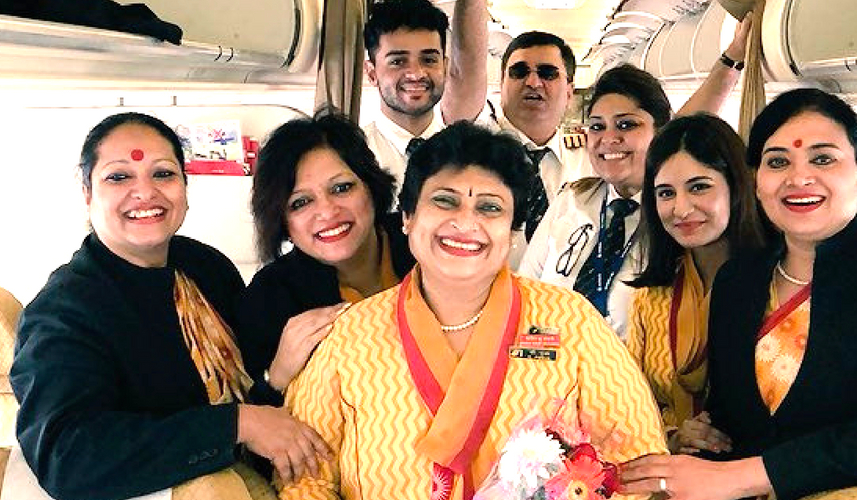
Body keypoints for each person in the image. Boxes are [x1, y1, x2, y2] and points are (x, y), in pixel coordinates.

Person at [278, 122, 667, 500]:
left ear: (513, 232)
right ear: (408, 218)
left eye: (490, 208)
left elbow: (638, 459)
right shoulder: (348, 336)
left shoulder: (571, 320)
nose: (465, 222)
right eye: (444, 201)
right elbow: (304, 476)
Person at [621, 89, 857, 500]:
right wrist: (706, 434)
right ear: (756, 182)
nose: (798, 178)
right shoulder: (739, 281)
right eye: (777, 162)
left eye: (822, 159)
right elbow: (737, 422)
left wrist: (746, 475)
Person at [10, 112, 329, 500]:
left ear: (185, 186)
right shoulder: (63, 311)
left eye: (163, 174)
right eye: (118, 176)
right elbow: (67, 455)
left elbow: (243, 390)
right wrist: (234, 425)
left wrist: (275, 380)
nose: (145, 193)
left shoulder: (204, 268)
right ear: (87, 193)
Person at [446, 0, 756, 243]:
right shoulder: (475, 142)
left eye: (548, 73)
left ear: (569, 89)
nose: (533, 81)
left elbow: (679, 131)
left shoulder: (595, 154)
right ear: (500, 82)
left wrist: (731, 59)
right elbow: (465, 69)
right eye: (519, 72)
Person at [238, 110, 415, 403]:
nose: (328, 212)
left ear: (371, 187)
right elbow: (253, 427)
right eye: (301, 202)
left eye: (342, 188)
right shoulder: (268, 299)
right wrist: (277, 377)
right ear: (282, 221)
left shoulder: (423, 245)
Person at [623, 113, 767, 453]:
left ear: (736, 186)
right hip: (669, 472)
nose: (681, 209)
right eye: (665, 193)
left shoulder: (777, 285)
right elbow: (632, 401)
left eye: (699, 187)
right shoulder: (652, 296)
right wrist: (673, 436)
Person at [517, 64, 672, 337]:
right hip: (554, 370)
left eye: (626, 124)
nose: (609, 139)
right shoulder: (570, 201)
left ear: (660, 133)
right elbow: (525, 293)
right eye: (597, 127)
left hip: (633, 375)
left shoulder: (674, 218)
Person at [360, 0, 485, 193]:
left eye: (428, 60)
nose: (416, 74)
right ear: (372, 73)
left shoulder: (470, 154)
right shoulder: (354, 158)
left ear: (444, 67)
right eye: (398, 61)